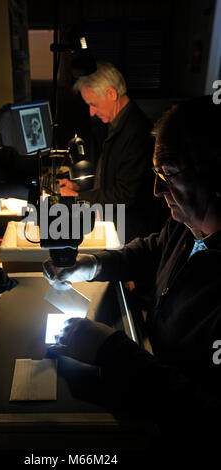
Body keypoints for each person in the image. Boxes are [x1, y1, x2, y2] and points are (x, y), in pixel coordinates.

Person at [43, 96, 221, 452]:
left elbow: (206, 414)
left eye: (168, 174)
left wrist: (110, 350)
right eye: (157, 175)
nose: (157, 190)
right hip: (145, 362)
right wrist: (92, 265)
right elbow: (152, 250)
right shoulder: (188, 226)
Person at [59, 61, 164, 242]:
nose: (91, 112)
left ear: (111, 93)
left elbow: (125, 194)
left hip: (131, 234)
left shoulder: (136, 131)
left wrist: (78, 197)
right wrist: (79, 188)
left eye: (93, 104)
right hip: (118, 225)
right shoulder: (118, 123)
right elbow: (111, 177)